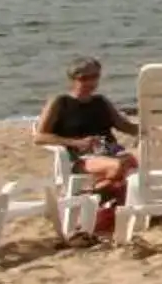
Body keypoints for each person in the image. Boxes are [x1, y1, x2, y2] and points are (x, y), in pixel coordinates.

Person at [36, 56, 139, 196]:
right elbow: (40, 137)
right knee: (119, 166)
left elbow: (125, 126)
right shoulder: (60, 102)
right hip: (82, 158)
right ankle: (96, 194)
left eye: (95, 77)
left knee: (142, 159)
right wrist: (77, 142)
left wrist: (151, 127)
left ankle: (96, 192)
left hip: (111, 150)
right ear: (73, 79)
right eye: (84, 78)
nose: (90, 82)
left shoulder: (100, 102)